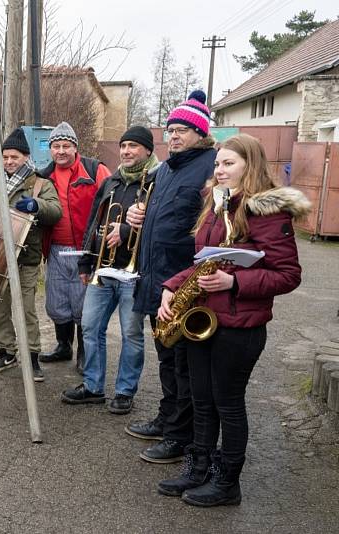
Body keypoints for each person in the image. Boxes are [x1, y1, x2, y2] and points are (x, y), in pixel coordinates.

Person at [155, 133, 309, 506]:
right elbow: (203, 260)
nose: (219, 170)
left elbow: (288, 275)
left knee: (227, 402)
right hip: (203, 319)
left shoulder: (269, 212)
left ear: (250, 165)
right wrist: (172, 288)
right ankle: (198, 468)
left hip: (239, 327)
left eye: (228, 164)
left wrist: (234, 281)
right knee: (202, 400)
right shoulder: (216, 203)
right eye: (218, 164)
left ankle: (227, 483)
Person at [125, 90, 217, 463]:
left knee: (183, 364)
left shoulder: (211, 167)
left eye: (182, 130)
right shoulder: (165, 169)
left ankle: (181, 437)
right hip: (155, 279)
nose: (174, 136)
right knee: (166, 357)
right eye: (170, 129)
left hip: (185, 282)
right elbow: (157, 218)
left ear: (201, 133)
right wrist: (136, 218)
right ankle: (168, 418)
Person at [61, 126, 160, 415]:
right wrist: (85, 261)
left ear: (148, 151)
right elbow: (95, 221)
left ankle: (125, 391)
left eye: (134, 146)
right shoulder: (113, 182)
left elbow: (157, 225)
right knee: (91, 328)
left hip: (135, 272)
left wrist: (127, 230)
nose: (127, 151)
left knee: (131, 334)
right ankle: (93, 386)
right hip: (104, 269)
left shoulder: (156, 181)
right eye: (124, 145)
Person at [0, 128, 62, 381]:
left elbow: (55, 211)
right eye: (5, 157)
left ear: (26, 157)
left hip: (26, 260)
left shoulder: (40, 183)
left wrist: (36, 205)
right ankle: (5, 352)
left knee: (26, 310)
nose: (9, 162)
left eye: (14, 157)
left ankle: (31, 358)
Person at [37, 122, 110, 374]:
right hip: (56, 248)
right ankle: (63, 345)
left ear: (75, 147)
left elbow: (113, 198)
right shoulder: (43, 176)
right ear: (50, 149)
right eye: (56, 146)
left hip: (85, 249)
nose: (61, 151)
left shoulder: (94, 169)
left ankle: (83, 352)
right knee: (58, 301)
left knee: (82, 304)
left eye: (66, 145)